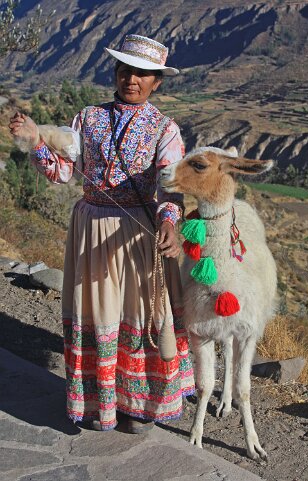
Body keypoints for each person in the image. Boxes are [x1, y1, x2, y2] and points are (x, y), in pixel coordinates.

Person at [9, 34, 194, 433]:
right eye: (126, 70)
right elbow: (61, 173)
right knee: (96, 314)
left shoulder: (166, 130)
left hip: (137, 238)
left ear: (156, 82)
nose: (133, 79)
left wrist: (168, 222)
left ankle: (138, 404)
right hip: (90, 230)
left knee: (137, 315)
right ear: (115, 72)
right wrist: (35, 139)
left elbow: (170, 187)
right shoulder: (87, 118)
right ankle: (100, 402)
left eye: (143, 74)